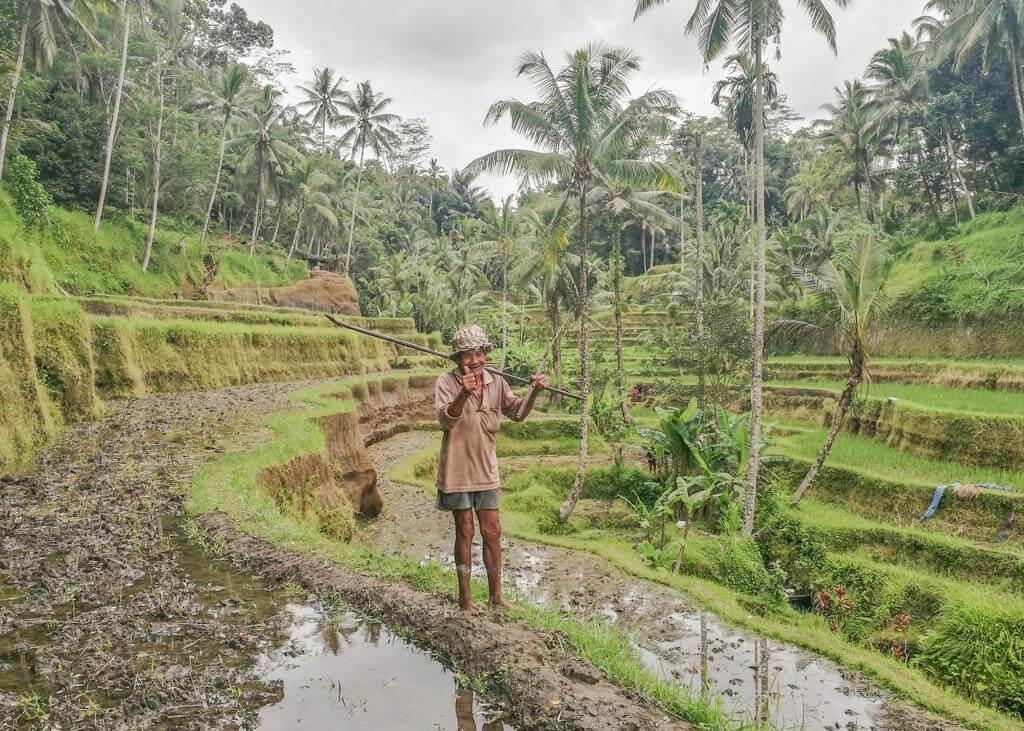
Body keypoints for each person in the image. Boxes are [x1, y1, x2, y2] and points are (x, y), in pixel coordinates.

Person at [435, 324, 548, 612]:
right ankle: (465, 600)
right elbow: (447, 420)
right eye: (467, 356)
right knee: (465, 530)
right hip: (457, 470)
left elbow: (518, 414)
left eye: (479, 354)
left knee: (492, 532)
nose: (474, 361)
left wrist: (534, 392)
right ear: (458, 358)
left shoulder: (497, 382)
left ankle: (496, 597)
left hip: (486, 469)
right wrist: (463, 393)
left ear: (486, 354)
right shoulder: (446, 382)